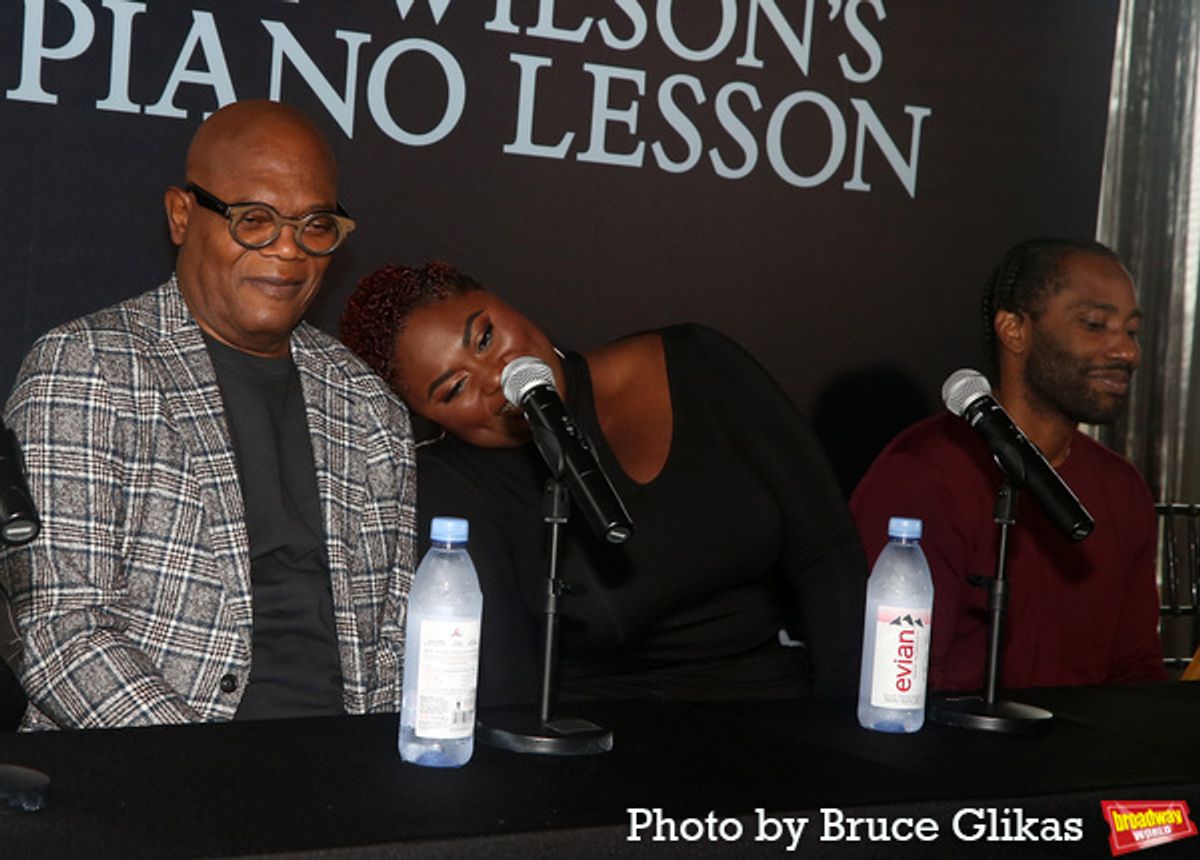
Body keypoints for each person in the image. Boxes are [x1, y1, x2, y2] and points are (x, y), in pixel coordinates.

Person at [0, 100, 416, 730]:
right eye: (255, 220)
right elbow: (60, 629)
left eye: (316, 225)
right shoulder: (88, 365)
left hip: (342, 764)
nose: (289, 250)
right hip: (155, 762)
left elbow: (392, 640)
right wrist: (202, 767)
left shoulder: (369, 403)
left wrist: (386, 765)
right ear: (181, 214)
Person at [339, 261, 867, 708]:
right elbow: (505, 691)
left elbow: (827, 553)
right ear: (428, 419)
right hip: (613, 750)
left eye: (486, 337)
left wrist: (845, 726)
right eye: (455, 389)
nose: (497, 377)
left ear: (506, 305)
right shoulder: (456, 486)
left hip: (781, 709)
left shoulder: (697, 361)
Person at [851, 237, 1166, 691]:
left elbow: (1135, 671)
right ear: (1014, 330)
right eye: (1095, 324)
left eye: (1131, 332)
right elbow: (891, 685)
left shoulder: (1122, 488)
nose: (1127, 353)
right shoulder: (925, 473)